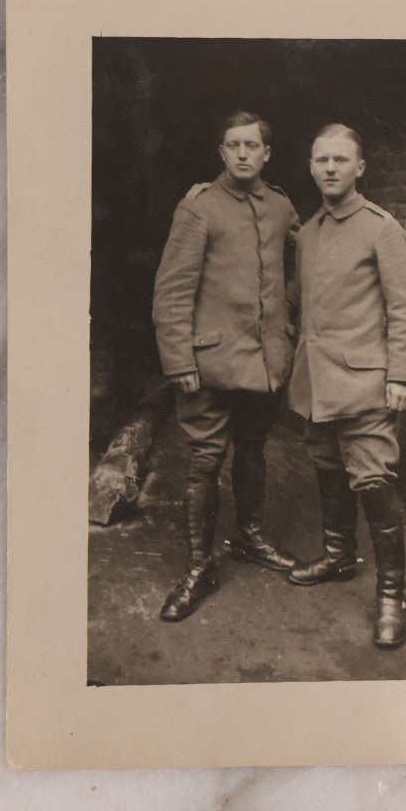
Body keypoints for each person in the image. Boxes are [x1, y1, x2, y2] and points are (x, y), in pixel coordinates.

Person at [148, 111, 303, 622]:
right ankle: (199, 567)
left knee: (253, 449)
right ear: (221, 152)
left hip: (265, 363)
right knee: (205, 460)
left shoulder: (281, 206)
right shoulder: (199, 208)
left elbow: (304, 258)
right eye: (233, 145)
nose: (241, 153)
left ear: (266, 153)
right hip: (210, 364)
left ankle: (250, 538)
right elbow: (172, 291)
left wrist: (287, 317)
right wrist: (179, 359)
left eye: (251, 145)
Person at [283, 124, 406, 649]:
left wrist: (402, 375)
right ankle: (339, 557)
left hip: (365, 384)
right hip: (317, 383)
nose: (330, 168)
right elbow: (302, 303)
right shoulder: (309, 233)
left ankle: (391, 597)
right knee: (327, 466)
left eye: (341, 159)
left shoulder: (380, 228)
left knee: (373, 479)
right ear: (311, 166)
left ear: (359, 167)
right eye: (321, 159)